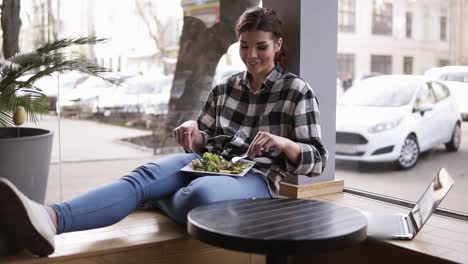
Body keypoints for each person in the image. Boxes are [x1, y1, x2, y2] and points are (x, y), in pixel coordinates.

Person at [0, 7, 328, 257]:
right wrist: (192, 131)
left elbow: (317, 161)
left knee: (198, 196)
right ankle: (50, 217)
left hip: (257, 179)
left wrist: (285, 143)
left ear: (277, 45)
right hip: (210, 163)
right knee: (143, 176)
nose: (251, 56)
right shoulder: (227, 86)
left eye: (261, 47)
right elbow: (204, 135)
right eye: (244, 46)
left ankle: (155, 199)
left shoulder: (296, 91)